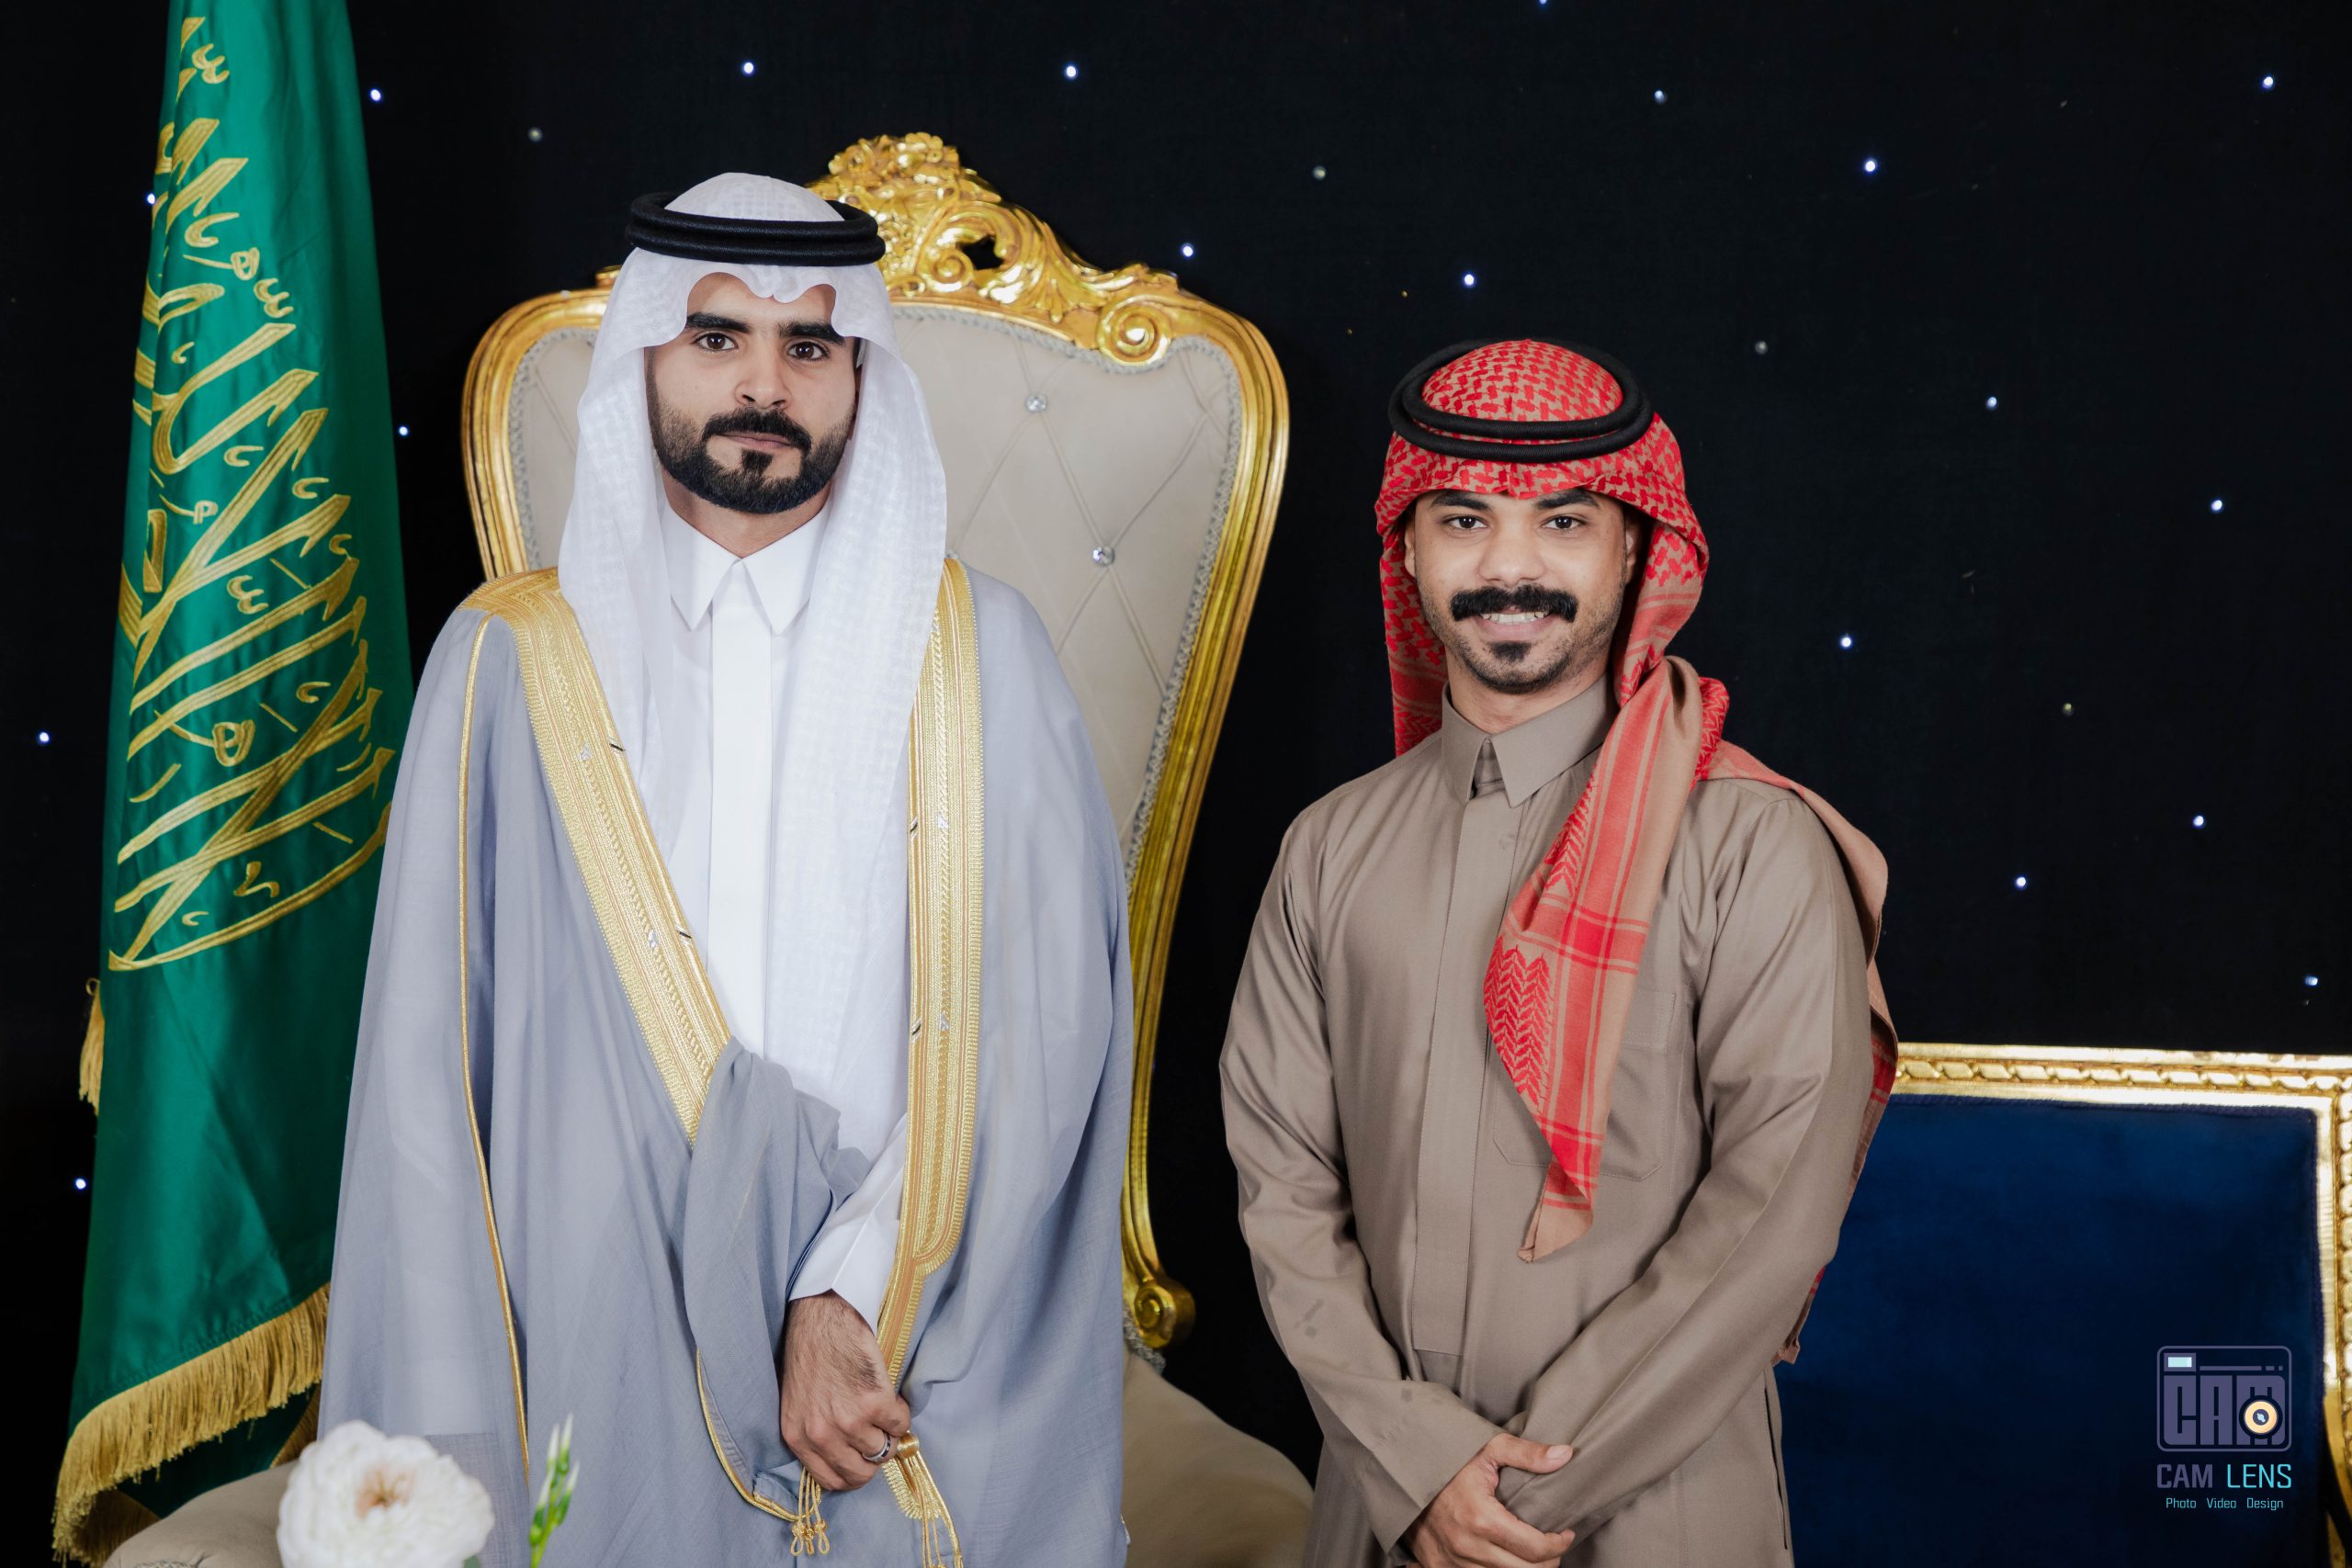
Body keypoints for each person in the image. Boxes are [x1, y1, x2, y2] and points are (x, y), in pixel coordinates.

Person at [319, 174, 1133, 1567]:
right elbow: (426, 1086)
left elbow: (1045, 1035)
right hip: (592, 1341)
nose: (765, 384)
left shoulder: (984, 658)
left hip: (910, 1342)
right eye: (718, 338)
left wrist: (848, 1293)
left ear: (861, 376)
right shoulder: (513, 663)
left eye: (810, 345)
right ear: (646, 355)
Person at [1220, 339, 1899, 1567]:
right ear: (1407, 550)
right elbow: (1284, 1193)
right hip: (1383, 1510)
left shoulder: (1752, 842)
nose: (1510, 567)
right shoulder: (1328, 848)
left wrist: (1506, 1505)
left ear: (1635, 549)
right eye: (1464, 521)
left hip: (1655, 1510)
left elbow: (1770, 1220)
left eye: (1565, 523)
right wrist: (1418, 1466)